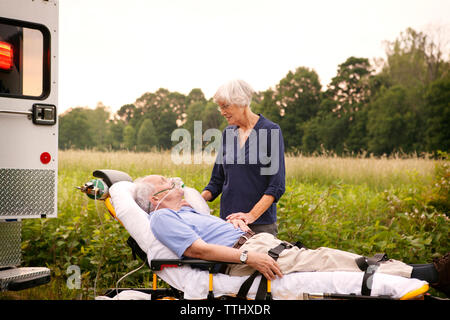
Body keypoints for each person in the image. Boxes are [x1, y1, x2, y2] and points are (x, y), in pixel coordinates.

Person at [133, 174, 450, 296]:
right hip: (248, 255)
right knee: (326, 259)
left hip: (254, 241)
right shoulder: (161, 217)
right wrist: (248, 255)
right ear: (155, 196)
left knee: (325, 259)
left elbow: (207, 234)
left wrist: (236, 225)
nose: (175, 181)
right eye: (165, 180)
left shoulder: (186, 211)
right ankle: (431, 273)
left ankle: (423, 275)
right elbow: (200, 251)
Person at [201, 79, 286, 236]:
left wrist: (251, 216)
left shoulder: (270, 131)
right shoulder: (229, 133)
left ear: (242, 102)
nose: (222, 111)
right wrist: (194, 201)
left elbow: (277, 185)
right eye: (220, 107)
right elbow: (216, 181)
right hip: (229, 224)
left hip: (260, 226)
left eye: (225, 106)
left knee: (260, 261)